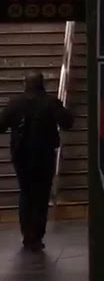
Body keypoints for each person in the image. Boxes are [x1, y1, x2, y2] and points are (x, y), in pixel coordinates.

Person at [0, 71, 73, 250]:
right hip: (44, 155)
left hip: (21, 156)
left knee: (26, 193)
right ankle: (38, 235)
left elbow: (0, 126)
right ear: (42, 84)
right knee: (41, 195)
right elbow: (67, 122)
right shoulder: (50, 102)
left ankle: (27, 234)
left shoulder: (15, 103)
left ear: (25, 84)